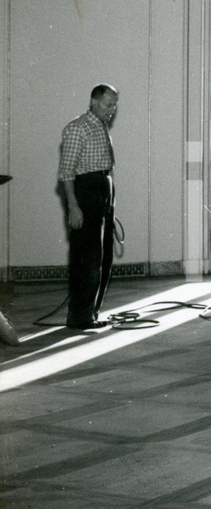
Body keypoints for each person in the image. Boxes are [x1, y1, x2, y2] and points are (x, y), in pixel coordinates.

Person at [58, 84, 119, 329]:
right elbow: (65, 173)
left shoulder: (101, 126)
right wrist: (73, 206)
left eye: (114, 105)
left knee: (103, 257)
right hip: (85, 192)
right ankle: (79, 315)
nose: (111, 110)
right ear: (94, 102)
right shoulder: (77, 128)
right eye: (107, 105)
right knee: (87, 258)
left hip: (103, 189)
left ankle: (92, 312)